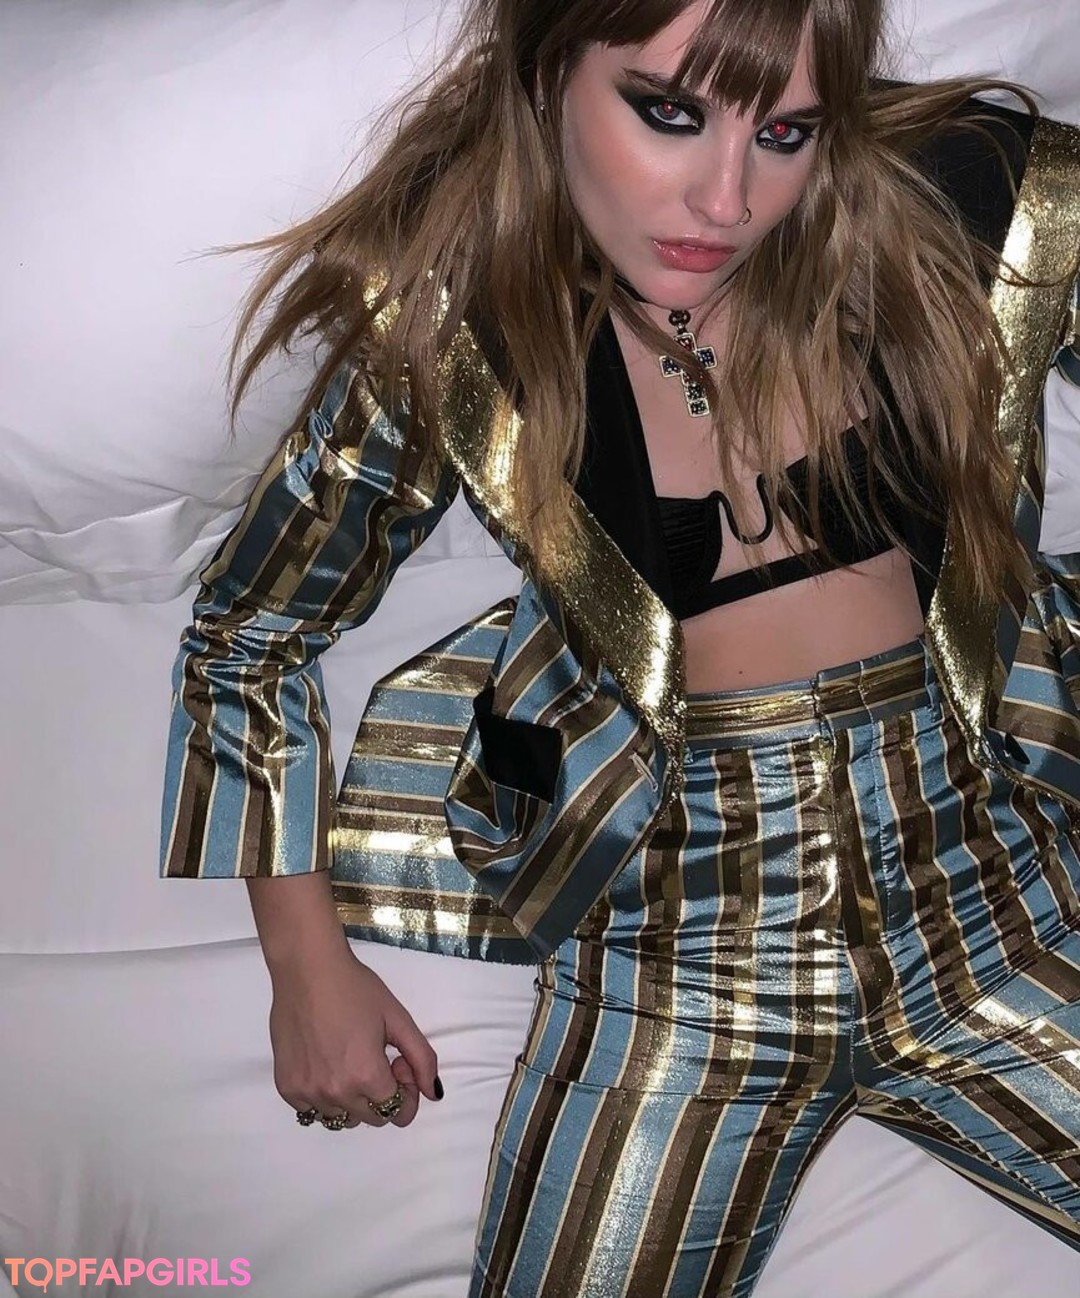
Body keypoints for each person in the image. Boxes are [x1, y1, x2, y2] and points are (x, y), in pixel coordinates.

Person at [160, 0, 1080, 1292]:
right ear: (546, 69)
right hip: (675, 946)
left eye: (785, 132)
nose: (727, 198)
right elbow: (247, 634)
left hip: (994, 880)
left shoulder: (967, 206)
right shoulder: (454, 332)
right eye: (667, 112)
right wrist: (305, 968)